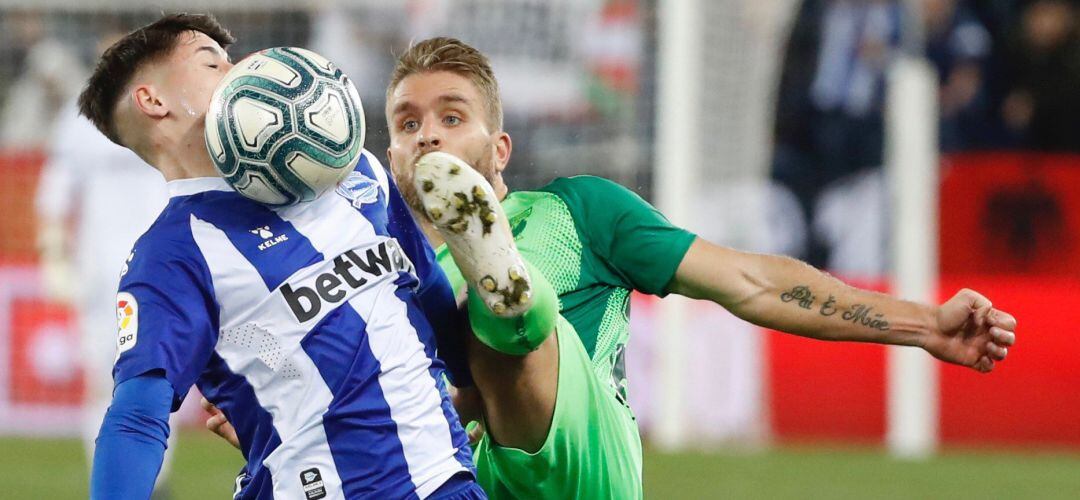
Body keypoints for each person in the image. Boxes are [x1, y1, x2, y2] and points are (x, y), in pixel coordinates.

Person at [209, 37, 1018, 498]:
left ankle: (503, 284)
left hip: (585, 460)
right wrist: (268, 402)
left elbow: (752, 281)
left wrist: (922, 325)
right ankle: (495, 298)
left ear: (498, 152)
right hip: (473, 480)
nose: (425, 136)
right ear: (387, 151)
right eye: (408, 123)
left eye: (450, 118)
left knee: (519, 327)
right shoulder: (376, 273)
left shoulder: (581, 211)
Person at [80, 15, 482, 499]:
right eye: (213, 64)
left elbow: (430, 288)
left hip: (447, 483)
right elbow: (136, 418)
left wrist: (476, 389)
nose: (239, 68)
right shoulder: (172, 255)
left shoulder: (352, 170)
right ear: (153, 101)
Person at [34, 29, 174, 497]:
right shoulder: (80, 122)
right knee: (102, 381)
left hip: (160, 269)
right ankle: (109, 481)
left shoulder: (166, 111)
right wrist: (53, 253)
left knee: (156, 380)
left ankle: (153, 484)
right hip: (99, 274)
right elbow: (55, 190)